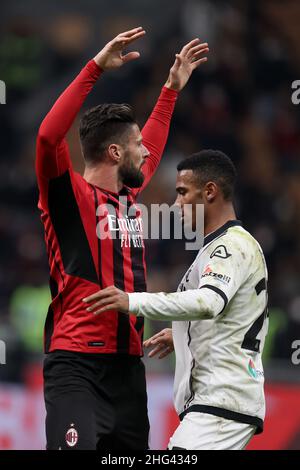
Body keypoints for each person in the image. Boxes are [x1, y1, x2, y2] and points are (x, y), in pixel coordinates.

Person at [36, 26, 209, 450]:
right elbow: (47, 136)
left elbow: (153, 135)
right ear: (115, 153)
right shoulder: (69, 195)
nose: (146, 152)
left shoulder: (128, 196)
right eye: (135, 146)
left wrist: (170, 90)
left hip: (129, 371)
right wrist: (95, 67)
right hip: (77, 366)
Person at [83, 150, 269, 450]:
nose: (176, 204)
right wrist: (185, 332)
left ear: (209, 191)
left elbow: (209, 302)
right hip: (218, 403)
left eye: (182, 193)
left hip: (220, 402)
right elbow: (230, 313)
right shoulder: (216, 248)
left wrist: (132, 300)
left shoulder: (230, 246)